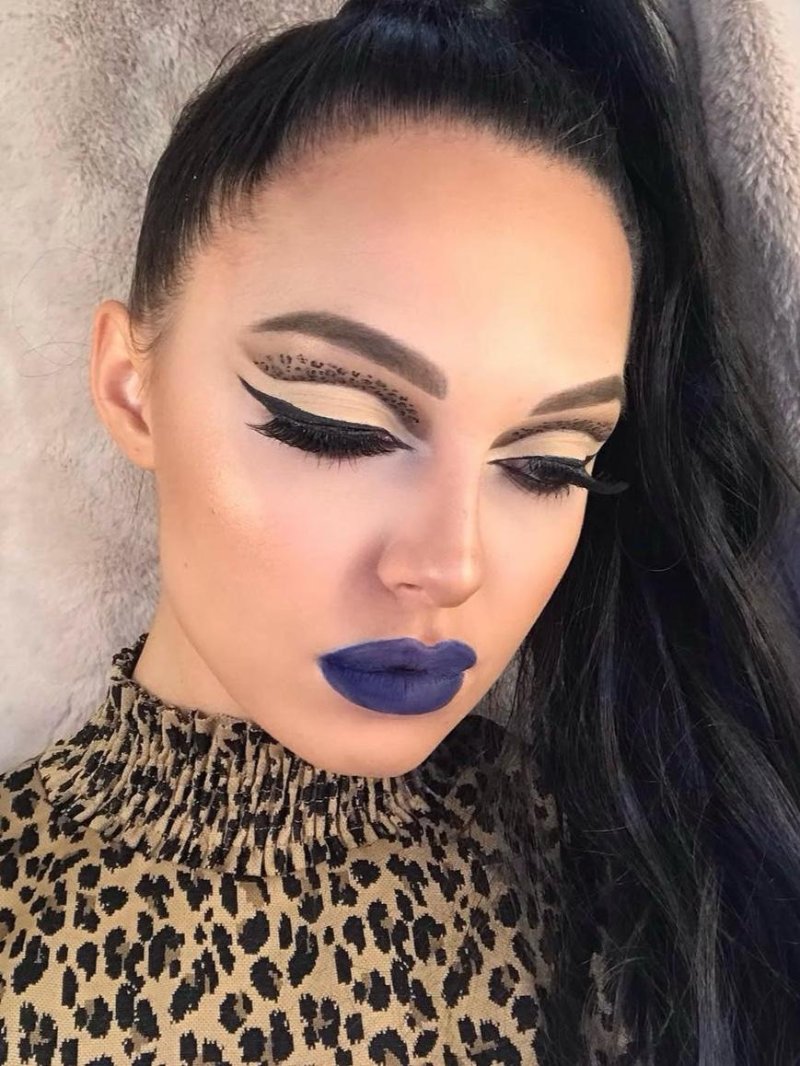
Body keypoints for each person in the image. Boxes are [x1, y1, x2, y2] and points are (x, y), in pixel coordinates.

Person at [2, 0, 799, 1063]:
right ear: (129, 387)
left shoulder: (646, 884)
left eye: (548, 464)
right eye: (336, 428)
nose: (448, 565)